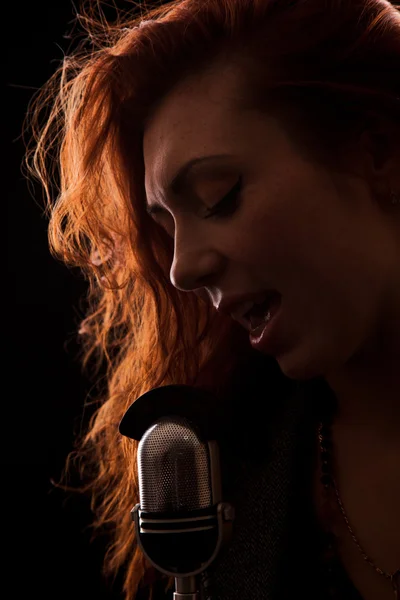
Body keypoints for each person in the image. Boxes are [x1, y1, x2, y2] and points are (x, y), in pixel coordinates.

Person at [25, 0, 400, 598]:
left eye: (218, 197)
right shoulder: (225, 480)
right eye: (166, 229)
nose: (182, 269)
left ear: (379, 151)